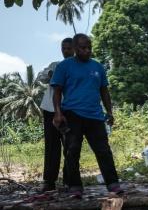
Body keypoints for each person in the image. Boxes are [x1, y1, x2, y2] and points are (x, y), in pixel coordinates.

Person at [51, 34, 122, 197]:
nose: (87, 50)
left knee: (103, 150)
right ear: (75, 49)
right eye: (83, 48)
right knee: (72, 150)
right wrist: (57, 113)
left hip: (95, 116)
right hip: (72, 113)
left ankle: (113, 184)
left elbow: (104, 91)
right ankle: (75, 186)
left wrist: (109, 111)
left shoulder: (98, 67)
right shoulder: (64, 66)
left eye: (89, 47)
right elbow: (57, 92)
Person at [36, 37, 74, 193]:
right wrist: (50, 74)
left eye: (68, 48)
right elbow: (40, 77)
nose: (65, 51)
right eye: (63, 48)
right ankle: (49, 181)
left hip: (70, 110)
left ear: (74, 49)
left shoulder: (78, 67)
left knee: (70, 146)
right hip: (50, 110)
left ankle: (69, 180)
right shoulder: (55, 65)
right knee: (52, 146)